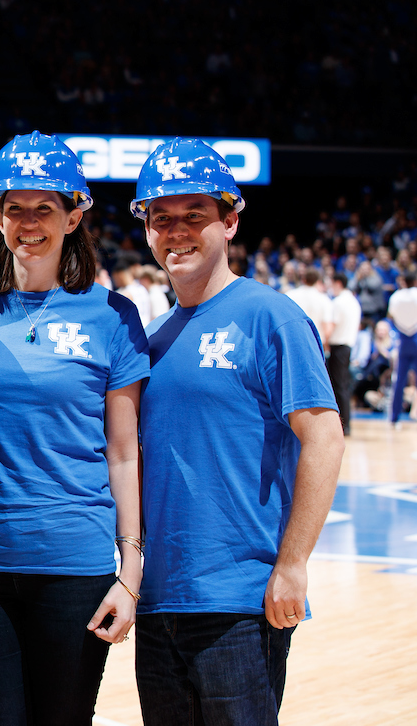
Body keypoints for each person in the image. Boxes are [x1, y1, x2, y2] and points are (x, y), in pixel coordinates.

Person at [131, 138, 344, 725]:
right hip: (159, 599)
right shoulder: (153, 338)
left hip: (242, 602)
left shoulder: (271, 316)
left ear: (229, 222)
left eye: (193, 216)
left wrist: (293, 564)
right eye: (161, 218)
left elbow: (324, 437)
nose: (176, 231)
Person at [0, 132, 147, 726]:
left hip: (76, 563)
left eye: (44, 208)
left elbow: (123, 452)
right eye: (15, 208)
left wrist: (131, 572)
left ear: (73, 216)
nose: (29, 223)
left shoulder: (113, 315)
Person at [327, 272, 361, 435]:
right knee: (342, 385)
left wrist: (323, 342)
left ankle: (343, 425)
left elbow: (331, 326)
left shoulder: (339, 302)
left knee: (338, 386)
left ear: (338, 283)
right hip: (347, 346)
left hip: (338, 347)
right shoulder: (354, 301)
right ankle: (344, 424)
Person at [386, 271, 417, 428]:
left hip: (403, 339)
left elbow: (390, 317)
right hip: (415, 337)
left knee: (399, 380)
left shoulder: (396, 297)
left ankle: (394, 418)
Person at [286, 267, 333, 350]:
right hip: (314, 343)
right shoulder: (324, 300)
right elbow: (327, 328)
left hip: (293, 340)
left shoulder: (290, 295)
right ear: (318, 281)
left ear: (303, 279)